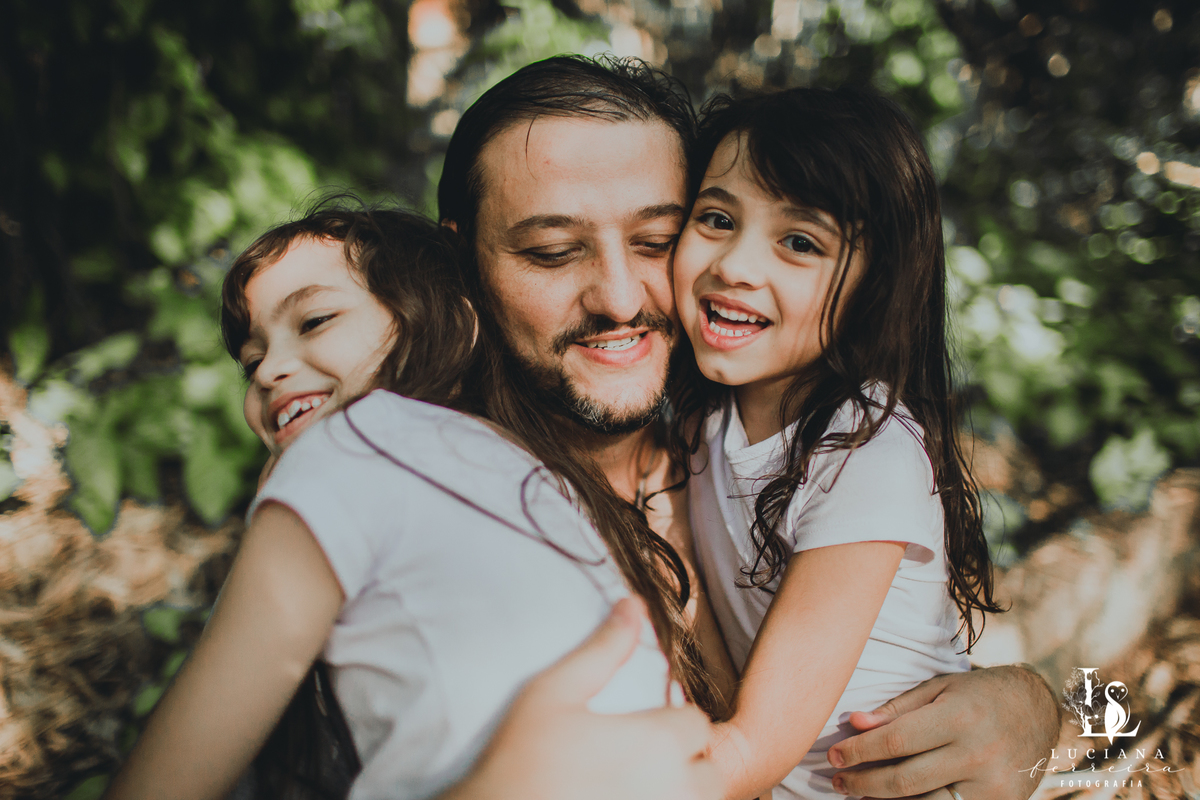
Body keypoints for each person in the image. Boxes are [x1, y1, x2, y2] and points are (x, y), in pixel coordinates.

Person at [436, 54, 1061, 800]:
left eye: (656, 239)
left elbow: (761, 733)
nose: (620, 297)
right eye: (552, 250)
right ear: (460, 261)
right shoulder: (435, 501)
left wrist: (1044, 708)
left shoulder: (784, 443)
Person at [104, 206, 708, 800]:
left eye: (314, 321)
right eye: (253, 361)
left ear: (443, 323)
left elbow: (166, 782)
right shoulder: (527, 468)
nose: (269, 373)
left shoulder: (351, 446)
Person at [671, 87, 1003, 800]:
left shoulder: (864, 454)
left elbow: (749, 753)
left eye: (800, 242)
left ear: (874, 287)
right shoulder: (703, 422)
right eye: (717, 218)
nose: (734, 264)